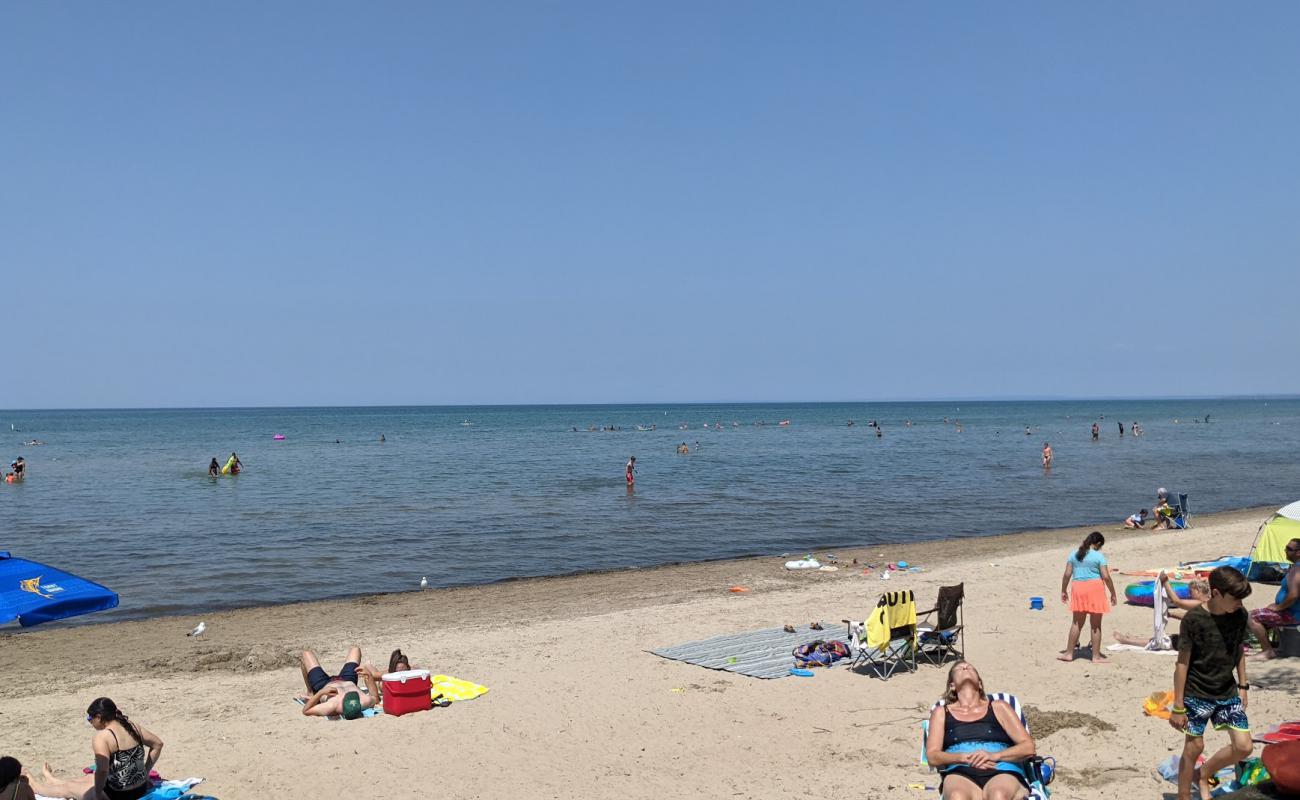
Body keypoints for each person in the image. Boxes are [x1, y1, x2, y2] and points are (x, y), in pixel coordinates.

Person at [1169, 567, 1254, 800]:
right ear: (1216, 593)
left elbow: (1238, 650)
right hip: (1196, 692)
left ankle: (1204, 773)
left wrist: (1243, 686)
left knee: (1244, 746)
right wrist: (1178, 706)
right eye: (1236, 597)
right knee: (1194, 747)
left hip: (1227, 691)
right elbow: (1182, 664)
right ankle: (1184, 796)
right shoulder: (1194, 620)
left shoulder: (1240, 615)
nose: (1240, 602)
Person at [924, 661, 1036, 799]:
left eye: (970, 668)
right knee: (957, 796)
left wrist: (994, 756)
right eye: (959, 669)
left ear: (980, 683)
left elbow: (1028, 747)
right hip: (960, 770)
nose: (965, 667)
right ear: (952, 685)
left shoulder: (999, 707)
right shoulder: (941, 712)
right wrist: (962, 757)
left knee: (998, 795)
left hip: (1001, 767)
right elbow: (932, 756)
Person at [22, 698, 164, 800]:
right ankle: (52, 779)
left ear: (99, 717)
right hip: (140, 788)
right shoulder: (132, 726)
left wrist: (97, 794)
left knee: (68, 789)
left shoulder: (102, 737)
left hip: (119, 794)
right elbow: (158, 744)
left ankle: (35, 786)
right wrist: (145, 772)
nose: (89, 721)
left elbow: (102, 770)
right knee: (88, 778)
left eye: (90, 718)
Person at [1058, 531, 1118, 664]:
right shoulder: (1099, 556)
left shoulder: (1074, 554)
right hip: (1095, 589)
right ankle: (1095, 656)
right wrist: (1113, 593)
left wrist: (1063, 590)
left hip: (1078, 588)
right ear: (1098, 544)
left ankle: (1069, 653)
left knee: (1076, 623)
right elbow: (1106, 577)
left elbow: (1067, 575)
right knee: (1095, 625)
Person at [1113, 576, 1210, 649]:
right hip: (1202, 638)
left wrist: (1166, 582)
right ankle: (1132, 639)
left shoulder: (1200, 602)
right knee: (1170, 638)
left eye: (1191, 592)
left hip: (1198, 641)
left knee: (1162, 641)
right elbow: (1189, 616)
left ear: (1198, 591)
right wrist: (1171, 614)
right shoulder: (1209, 603)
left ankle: (1127, 641)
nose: (1190, 595)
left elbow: (1177, 601)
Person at [1247, 538, 1300, 660]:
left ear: (1299, 553)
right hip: (1292, 611)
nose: (1285, 551)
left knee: (1251, 616)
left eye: (1289, 549)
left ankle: (1267, 651)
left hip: (1293, 615)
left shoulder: (1297, 571)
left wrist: (1278, 607)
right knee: (1265, 612)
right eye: (1286, 548)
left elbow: (1293, 595)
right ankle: (1274, 644)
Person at [299, 647, 381, 719]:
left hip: (323, 684)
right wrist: (368, 676)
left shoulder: (332, 706)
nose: (352, 696)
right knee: (355, 649)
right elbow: (375, 697)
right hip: (348, 679)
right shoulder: (363, 701)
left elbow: (306, 711)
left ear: (343, 706)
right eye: (355, 699)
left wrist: (321, 692)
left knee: (305, 654)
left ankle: (310, 692)